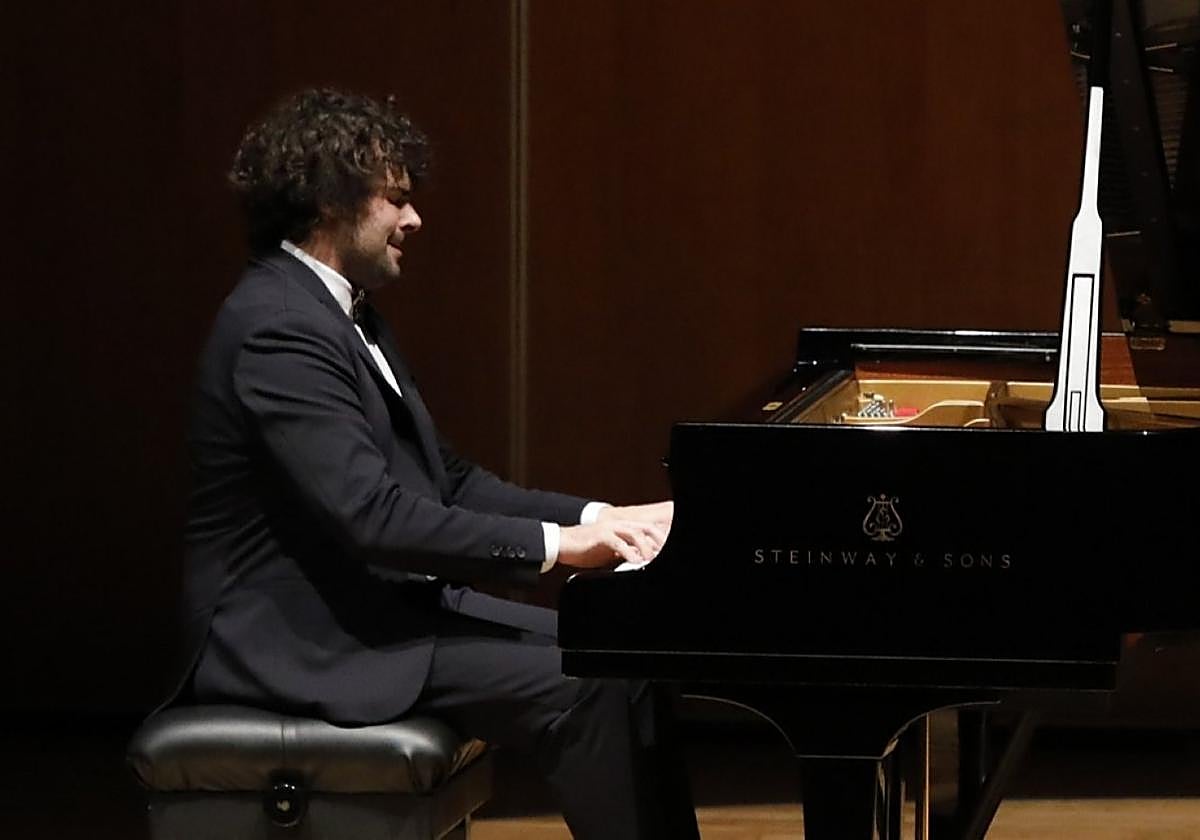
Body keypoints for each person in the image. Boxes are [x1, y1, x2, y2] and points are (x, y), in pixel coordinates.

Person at [173, 87, 701, 838]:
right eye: (395, 198)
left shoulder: (343, 313)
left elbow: (447, 480)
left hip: (374, 610)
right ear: (329, 202)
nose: (413, 219)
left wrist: (598, 516)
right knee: (586, 688)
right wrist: (557, 550)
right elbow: (369, 515)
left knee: (626, 655)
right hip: (302, 640)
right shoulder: (278, 327)